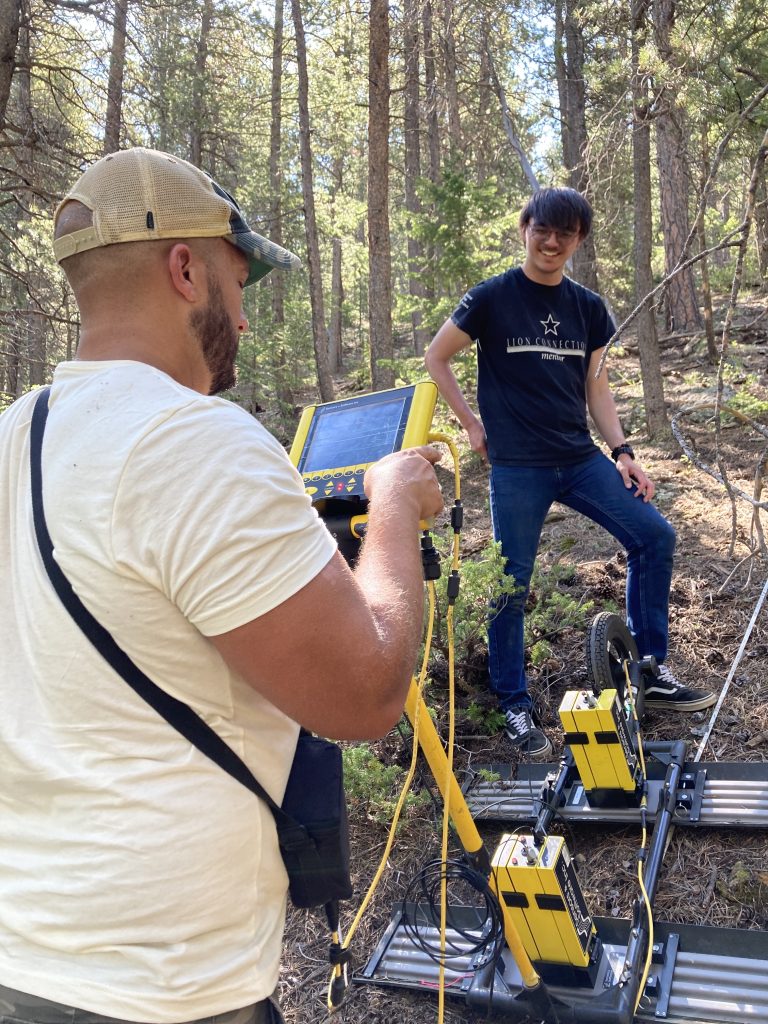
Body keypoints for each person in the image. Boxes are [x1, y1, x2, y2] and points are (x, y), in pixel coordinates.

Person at [0, 148, 443, 1024]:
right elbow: (364, 694)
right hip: (164, 989)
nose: (243, 318)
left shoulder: (14, 433)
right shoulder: (197, 440)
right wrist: (392, 508)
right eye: (239, 283)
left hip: (22, 954)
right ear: (186, 267)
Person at [425, 186, 716, 759]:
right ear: (524, 229)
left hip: (579, 458)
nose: (551, 241)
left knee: (654, 535)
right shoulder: (490, 298)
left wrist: (623, 450)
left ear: (578, 240)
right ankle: (513, 702)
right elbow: (437, 356)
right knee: (512, 582)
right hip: (516, 466)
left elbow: (596, 385)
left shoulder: (588, 308)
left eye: (565, 233)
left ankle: (647, 670)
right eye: (542, 229)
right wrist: (472, 425)